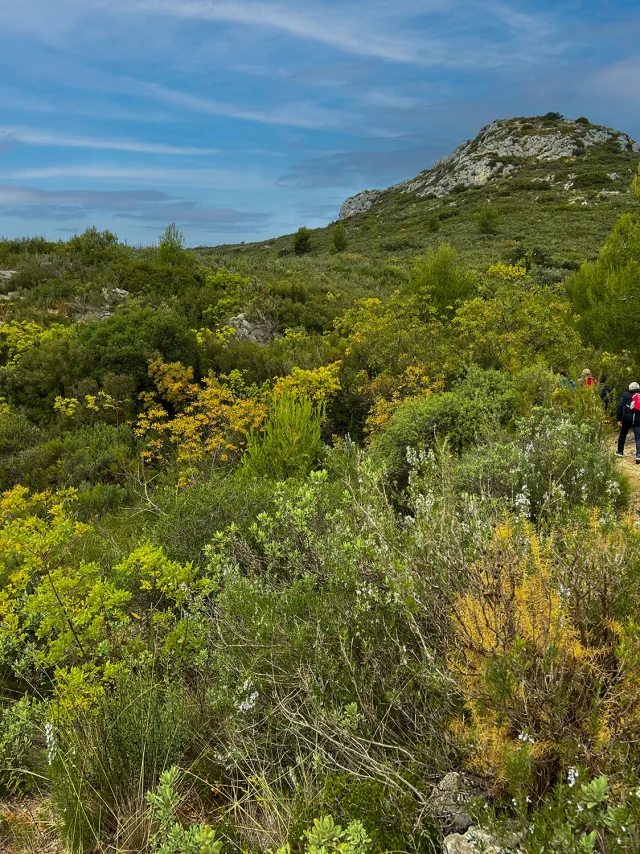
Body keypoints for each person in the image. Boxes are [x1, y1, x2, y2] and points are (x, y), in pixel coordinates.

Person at [616, 381, 640, 461]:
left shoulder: (625, 394)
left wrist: (619, 419)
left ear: (629, 388)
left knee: (623, 433)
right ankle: (638, 455)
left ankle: (620, 452)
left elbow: (620, 407)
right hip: (638, 419)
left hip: (627, 418)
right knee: (638, 437)